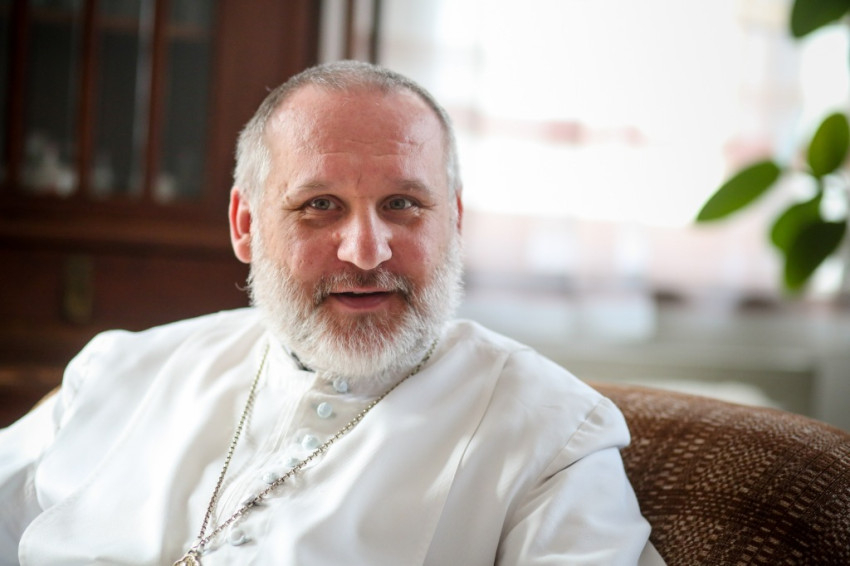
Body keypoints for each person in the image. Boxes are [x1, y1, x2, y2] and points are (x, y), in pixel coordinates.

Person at [0, 61, 664, 565]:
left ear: (455, 222)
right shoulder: (118, 372)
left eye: (403, 204)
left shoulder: (553, 435)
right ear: (245, 224)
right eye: (320, 206)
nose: (366, 251)